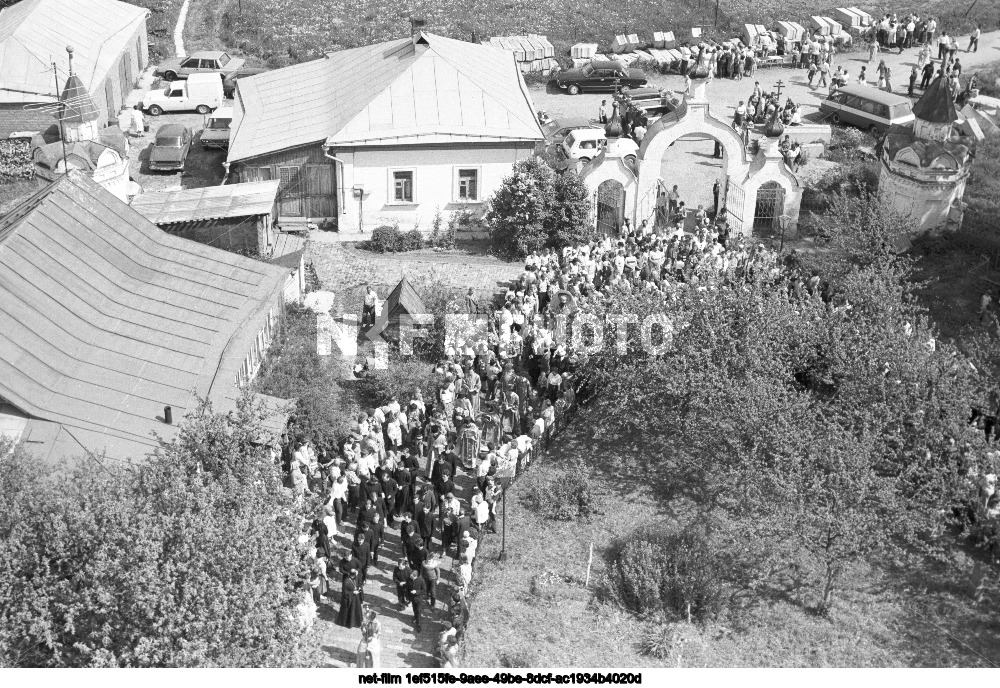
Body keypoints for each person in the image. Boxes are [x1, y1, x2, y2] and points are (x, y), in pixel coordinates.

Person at [407, 568, 428, 632]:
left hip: (419, 598)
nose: (410, 575)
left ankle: (418, 624)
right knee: (414, 609)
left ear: (415, 575)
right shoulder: (408, 579)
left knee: (418, 610)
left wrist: (416, 591)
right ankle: (415, 617)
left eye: (411, 575)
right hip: (412, 598)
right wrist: (408, 597)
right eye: (410, 574)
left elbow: (424, 590)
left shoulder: (421, 580)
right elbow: (407, 588)